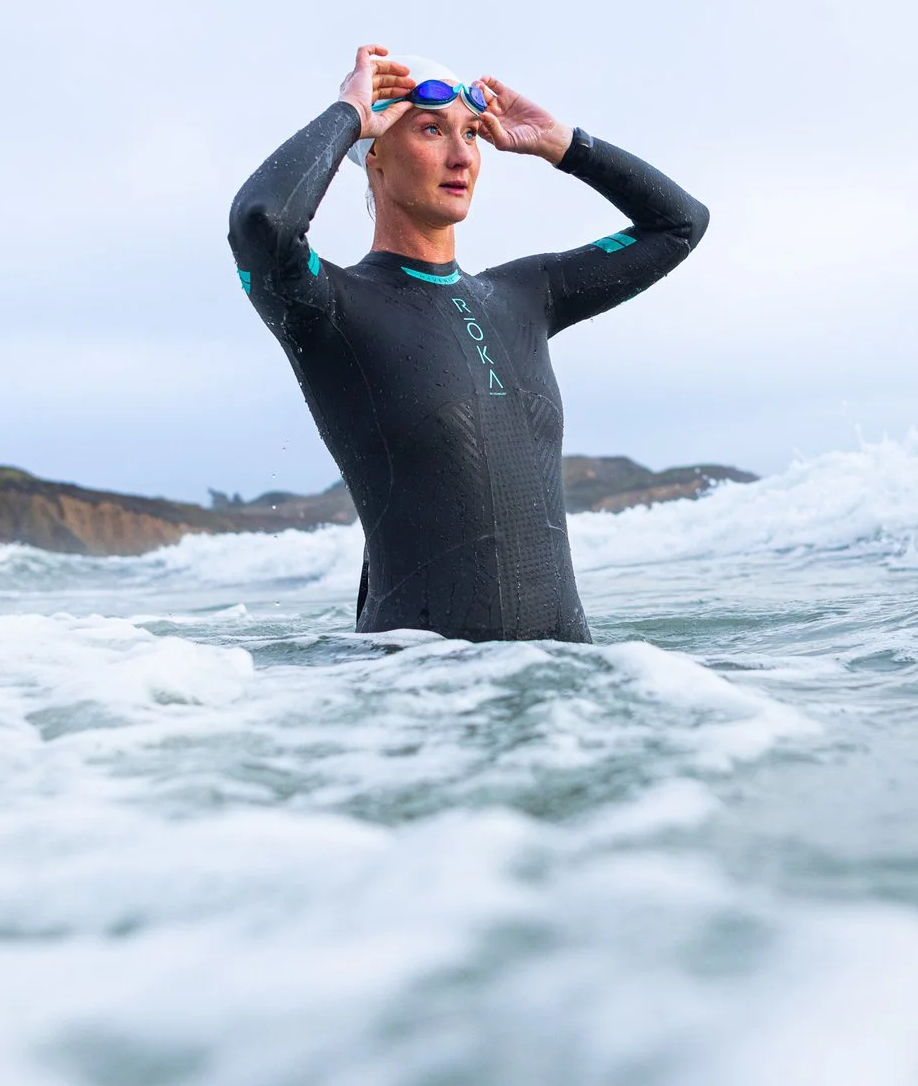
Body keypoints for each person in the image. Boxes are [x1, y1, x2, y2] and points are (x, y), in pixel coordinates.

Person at [227, 46, 709, 641]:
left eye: (471, 135)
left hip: (572, 703)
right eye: (431, 130)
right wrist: (350, 111)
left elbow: (681, 223)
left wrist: (564, 144)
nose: (461, 157)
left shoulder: (524, 295)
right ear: (374, 151)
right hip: (422, 700)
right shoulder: (332, 307)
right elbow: (261, 221)